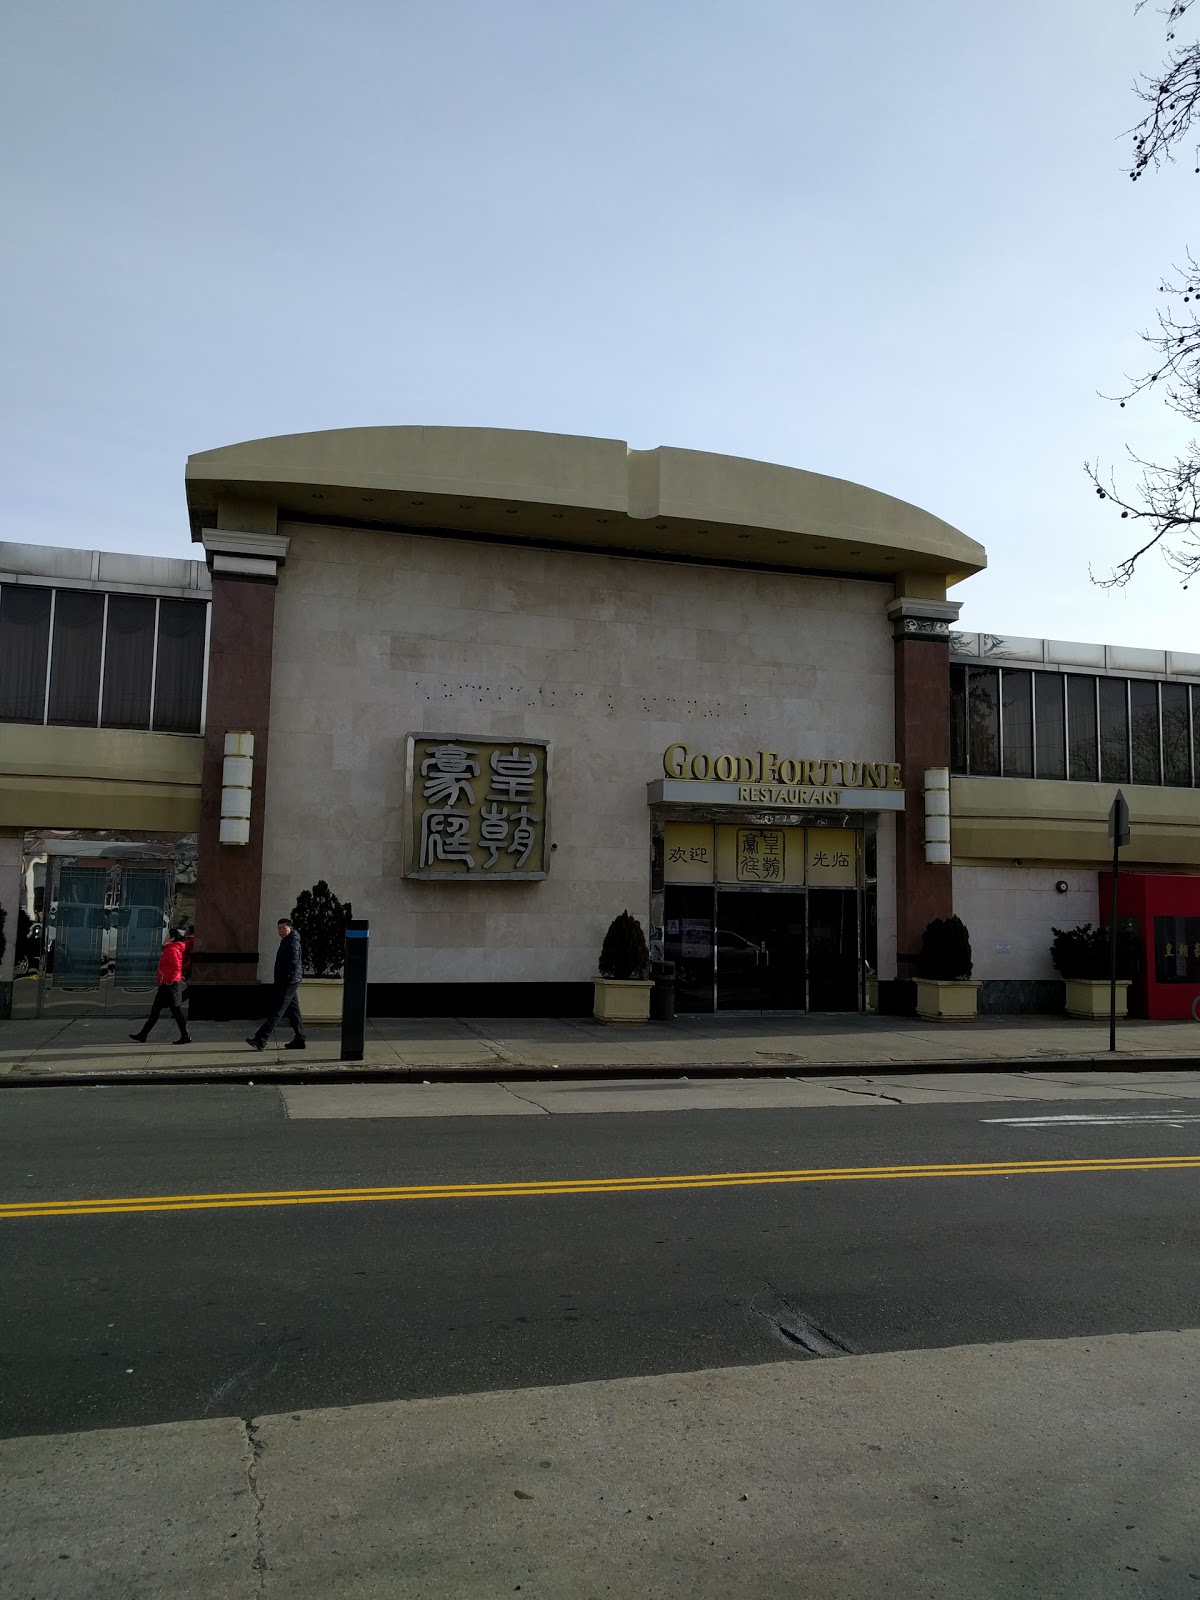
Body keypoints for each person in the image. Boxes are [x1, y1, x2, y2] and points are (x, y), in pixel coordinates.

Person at [247, 916, 306, 1051]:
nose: (280, 931)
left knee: (277, 1011)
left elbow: (294, 963)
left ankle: (261, 1039)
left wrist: (284, 980)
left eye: (283, 928)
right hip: (290, 980)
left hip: (288, 982)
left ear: (290, 928)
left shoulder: (292, 942)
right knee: (294, 1010)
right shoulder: (288, 940)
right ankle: (300, 1039)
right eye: (279, 928)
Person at [129, 928, 192, 1045]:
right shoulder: (171, 949)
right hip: (168, 983)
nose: (165, 938)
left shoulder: (172, 950)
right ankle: (143, 1034)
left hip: (169, 984)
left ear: (172, 938)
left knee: (174, 1010)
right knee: (158, 1010)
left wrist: (169, 981)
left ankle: (185, 1035)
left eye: (167, 936)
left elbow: (176, 967)